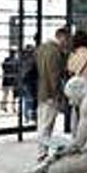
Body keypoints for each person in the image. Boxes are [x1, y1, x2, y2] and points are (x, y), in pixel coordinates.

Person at [34, 28, 70, 157]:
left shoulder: (41, 48)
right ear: (61, 37)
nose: (67, 43)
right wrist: (58, 94)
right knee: (47, 125)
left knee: (42, 122)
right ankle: (42, 152)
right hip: (51, 93)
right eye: (66, 39)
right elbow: (55, 76)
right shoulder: (55, 52)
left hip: (40, 91)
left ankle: (41, 150)